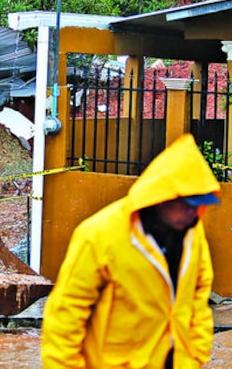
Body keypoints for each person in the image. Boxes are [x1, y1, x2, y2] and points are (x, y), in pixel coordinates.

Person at [41, 134, 220, 369]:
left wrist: (197, 354)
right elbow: (66, 314)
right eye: (188, 205)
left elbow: (199, 296)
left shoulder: (192, 235)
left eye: (200, 206)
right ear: (163, 198)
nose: (194, 213)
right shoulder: (99, 235)